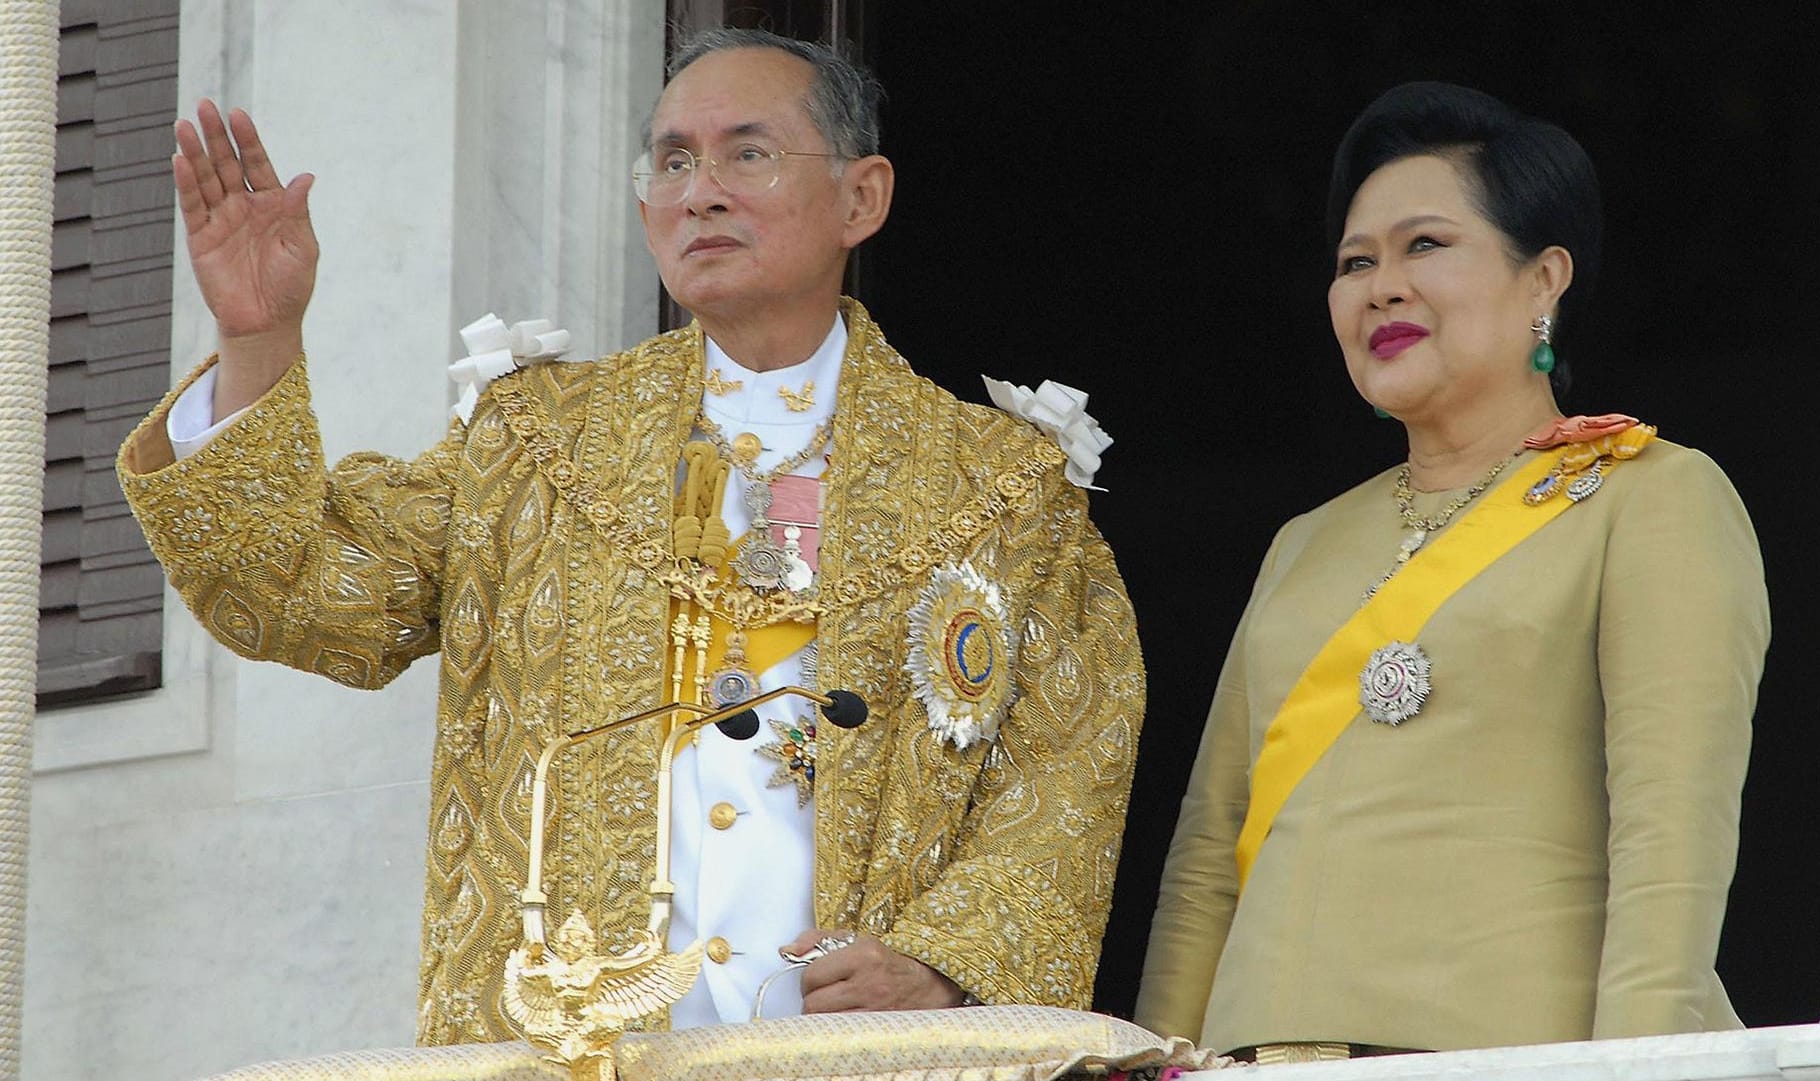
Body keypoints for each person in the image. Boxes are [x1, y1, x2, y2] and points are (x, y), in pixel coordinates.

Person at [117, 29, 1143, 1044]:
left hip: (858, 1056)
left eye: (748, 153)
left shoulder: (1002, 488)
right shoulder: (534, 444)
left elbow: (1067, 766)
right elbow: (298, 590)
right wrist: (258, 341)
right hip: (576, 1054)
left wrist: (944, 966)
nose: (700, 191)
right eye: (673, 160)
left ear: (860, 198)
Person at [1134, 82, 1769, 1061]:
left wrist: (1641, 1062)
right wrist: (1158, 1053)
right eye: (1356, 262)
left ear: (1543, 279)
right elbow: (1207, 866)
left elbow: (1668, 856)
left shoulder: (1653, 497)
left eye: (1424, 245)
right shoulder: (1305, 541)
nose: (1381, 285)